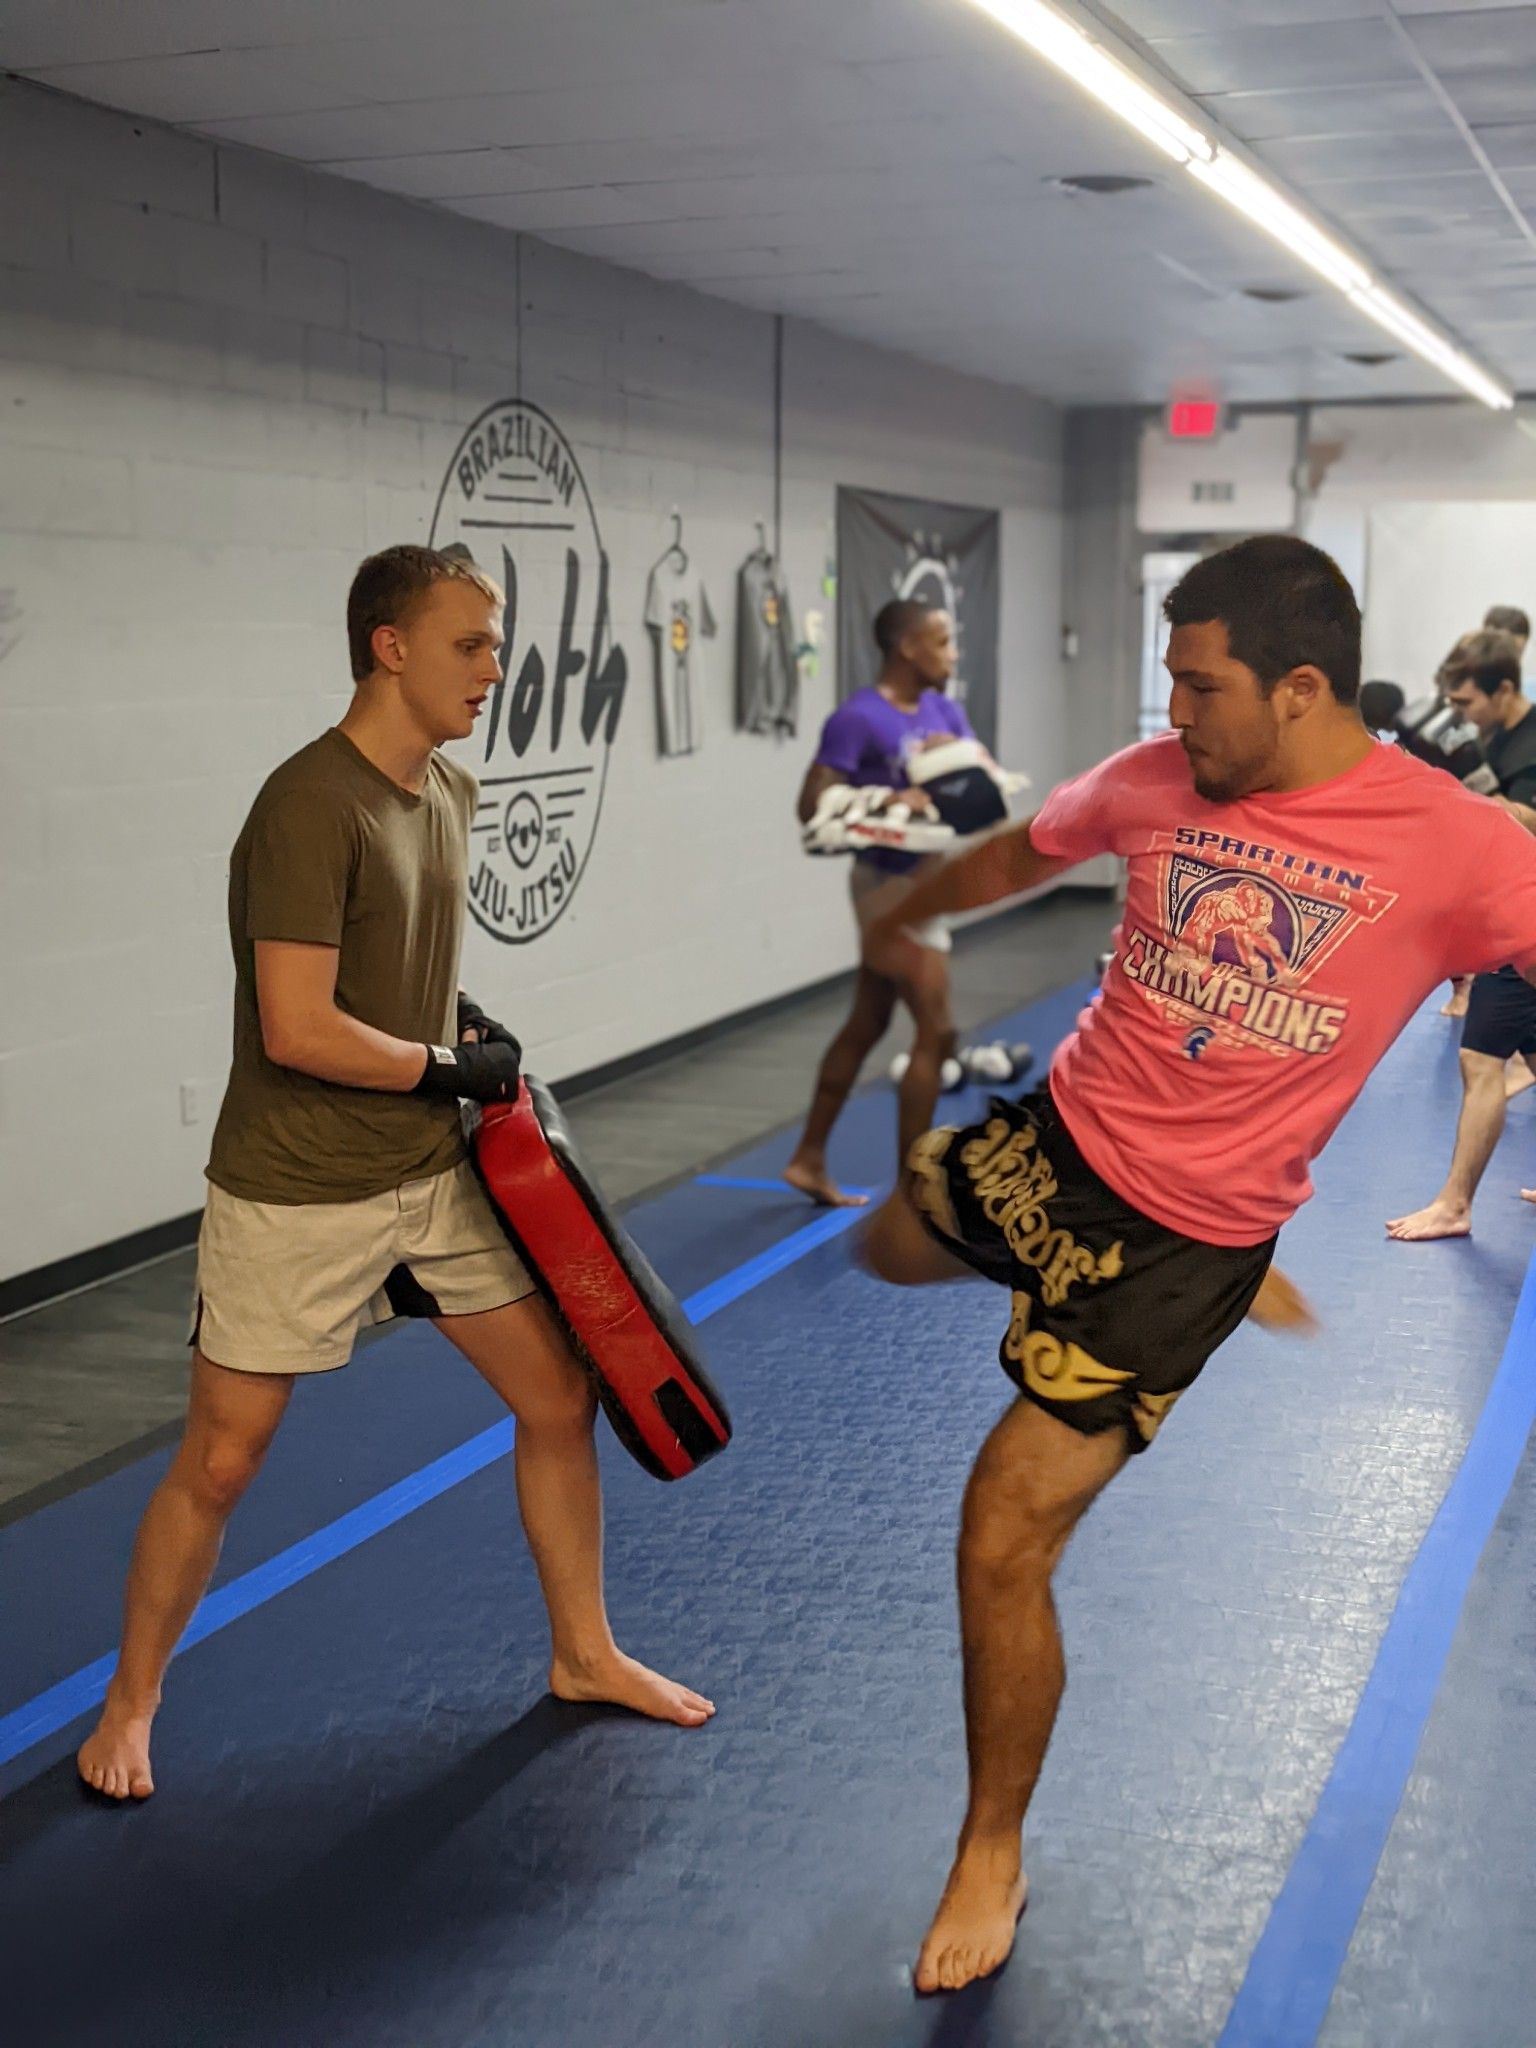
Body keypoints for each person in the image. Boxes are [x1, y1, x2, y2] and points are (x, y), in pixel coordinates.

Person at [849, 534, 1536, 1994]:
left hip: (1178, 1244)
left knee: (1001, 1533)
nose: (1175, 710)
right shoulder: (1162, 776)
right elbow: (1023, 847)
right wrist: (911, 905)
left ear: (1300, 688)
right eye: (1170, 680)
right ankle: (1240, 1288)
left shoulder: (1456, 843)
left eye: (1199, 683)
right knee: (882, 1247)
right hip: (1061, 1141)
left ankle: (991, 1848)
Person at [77, 546, 713, 1803]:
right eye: (472, 642)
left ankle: (583, 1652)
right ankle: (129, 1701)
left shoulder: (447, 793)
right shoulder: (307, 806)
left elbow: (397, 975)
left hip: (432, 1172)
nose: (494, 664)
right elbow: (297, 1025)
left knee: (556, 1395)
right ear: (391, 647)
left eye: (494, 641)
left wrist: (457, 1028)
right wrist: (445, 1067)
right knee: (220, 1460)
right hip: (298, 1184)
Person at [783, 600, 974, 1206]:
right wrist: (892, 800)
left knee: (868, 1021)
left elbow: (975, 788)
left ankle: (809, 1158)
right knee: (937, 1030)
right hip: (887, 888)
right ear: (907, 649)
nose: (952, 654)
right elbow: (810, 808)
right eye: (942, 642)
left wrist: (952, 783)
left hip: (932, 885)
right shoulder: (857, 719)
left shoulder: (944, 710)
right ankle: (912, 1195)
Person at [1388, 629, 1536, 1240]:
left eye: (1468, 703)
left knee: (1480, 1060)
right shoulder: (1494, 733)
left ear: (1504, 690)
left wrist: (1473, 782)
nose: (1460, 717)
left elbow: (1527, 823)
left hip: (1528, 919)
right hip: (1512, 911)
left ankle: (1454, 1205)